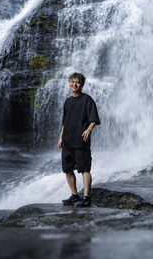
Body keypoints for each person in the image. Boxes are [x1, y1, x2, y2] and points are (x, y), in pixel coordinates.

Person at [57, 72, 100, 207]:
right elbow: (64, 122)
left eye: (77, 82)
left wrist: (88, 129)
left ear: (81, 84)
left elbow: (94, 118)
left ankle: (86, 198)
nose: (74, 84)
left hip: (81, 139)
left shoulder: (87, 100)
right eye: (72, 81)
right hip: (67, 139)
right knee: (67, 169)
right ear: (69, 83)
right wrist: (60, 138)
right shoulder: (68, 101)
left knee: (84, 168)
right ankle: (74, 196)